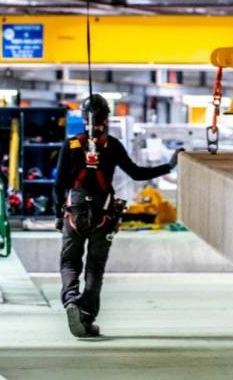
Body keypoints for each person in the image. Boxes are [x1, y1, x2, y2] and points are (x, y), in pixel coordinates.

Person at [54, 94, 183, 338]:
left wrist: (58, 214)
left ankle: (71, 299)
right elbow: (135, 173)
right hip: (103, 214)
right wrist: (169, 166)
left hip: (74, 212)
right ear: (106, 118)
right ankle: (87, 316)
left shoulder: (71, 145)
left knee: (70, 262)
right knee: (95, 267)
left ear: (83, 119)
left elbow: (59, 183)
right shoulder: (111, 145)